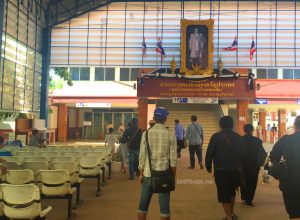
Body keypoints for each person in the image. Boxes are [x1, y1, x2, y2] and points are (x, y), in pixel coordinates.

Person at [138, 107, 177, 220]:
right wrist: (173, 177)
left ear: (154, 118)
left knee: (143, 206)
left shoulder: (146, 134)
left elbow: (142, 156)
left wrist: (141, 173)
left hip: (148, 174)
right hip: (164, 175)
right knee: (164, 209)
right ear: (165, 119)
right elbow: (173, 160)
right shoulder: (170, 134)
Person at [205, 116, 246, 220]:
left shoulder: (215, 137)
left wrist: (208, 166)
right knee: (232, 191)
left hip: (220, 170)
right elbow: (243, 154)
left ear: (220, 125)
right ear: (232, 125)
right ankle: (231, 214)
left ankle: (229, 216)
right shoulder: (239, 137)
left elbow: (210, 152)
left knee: (223, 193)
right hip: (235, 170)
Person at [270, 115, 300, 219]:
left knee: (294, 212)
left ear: (295, 126)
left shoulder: (286, 139)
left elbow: (273, 156)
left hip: (290, 182)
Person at [241, 124, 266, 207]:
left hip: (242, 165)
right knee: (252, 182)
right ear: (252, 130)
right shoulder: (257, 141)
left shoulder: (240, 140)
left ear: (244, 130)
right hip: (254, 165)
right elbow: (262, 153)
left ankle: (244, 197)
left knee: (243, 181)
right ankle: (249, 201)